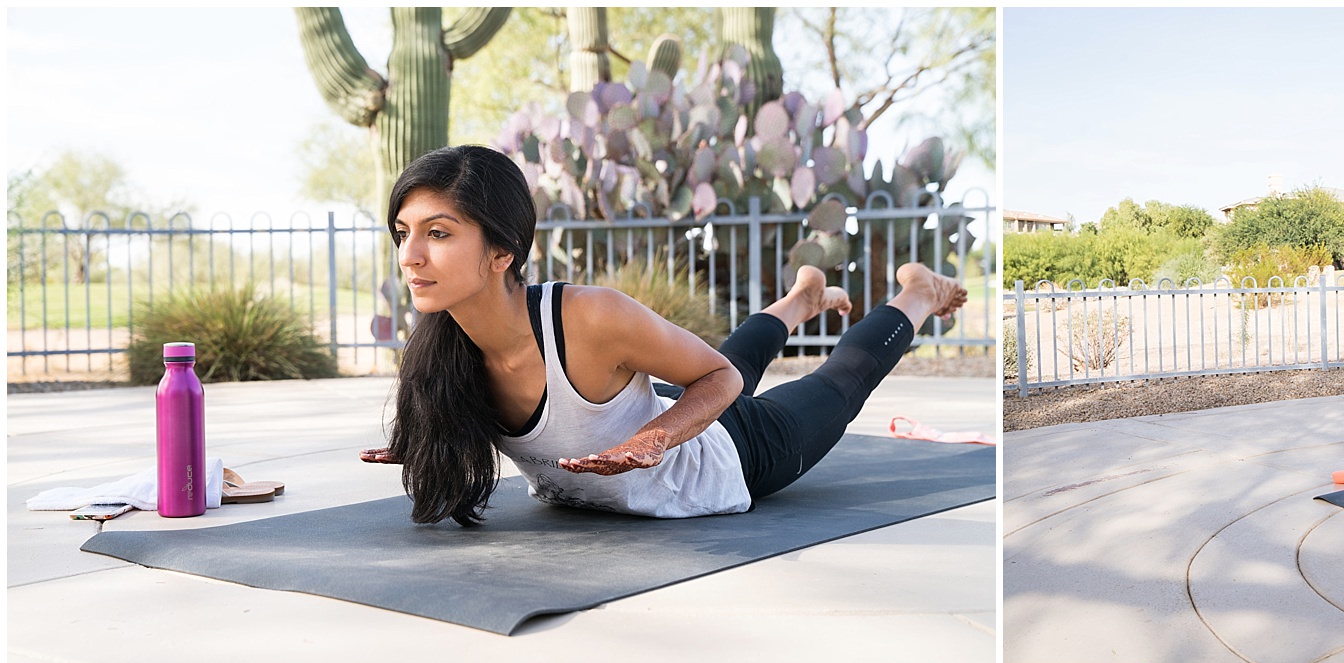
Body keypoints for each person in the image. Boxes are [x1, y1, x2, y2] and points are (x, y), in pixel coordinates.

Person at [360, 145, 967, 527]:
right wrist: (426, 437)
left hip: (736, 456)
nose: (410, 256)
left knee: (838, 381)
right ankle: (803, 300)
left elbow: (720, 379)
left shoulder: (589, 319)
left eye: (437, 233)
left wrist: (653, 440)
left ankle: (917, 291)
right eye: (402, 232)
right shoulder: (442, 347)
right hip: (667, 425)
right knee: (721, 361)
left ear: (501, 251)